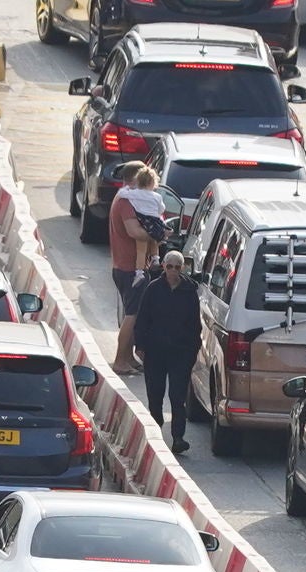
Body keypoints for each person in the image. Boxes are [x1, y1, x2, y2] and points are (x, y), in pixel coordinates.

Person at [116, 248, 206, 453]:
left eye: (177, 267)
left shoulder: (189, 293)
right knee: (155, 396)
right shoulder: (153, 289)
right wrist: (140, 346)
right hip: (155, 352)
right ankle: (156, 432)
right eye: (169, 266)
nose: (173, 271)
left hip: (180, 353)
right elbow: (143, 317)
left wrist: (192, 351)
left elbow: (194, 326)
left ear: (182, 269)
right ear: (164, 266)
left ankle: (178, 438)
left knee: (177, 397)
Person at [106, 161, 168, 298]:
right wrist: (160, 234)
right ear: (136, 179)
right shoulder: (126, 202)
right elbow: (135, 232)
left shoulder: (127, 197)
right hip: (128, 268)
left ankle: (152, 261)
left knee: (134, 313)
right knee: (133, 315)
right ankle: (152, 261)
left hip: (124, 266)